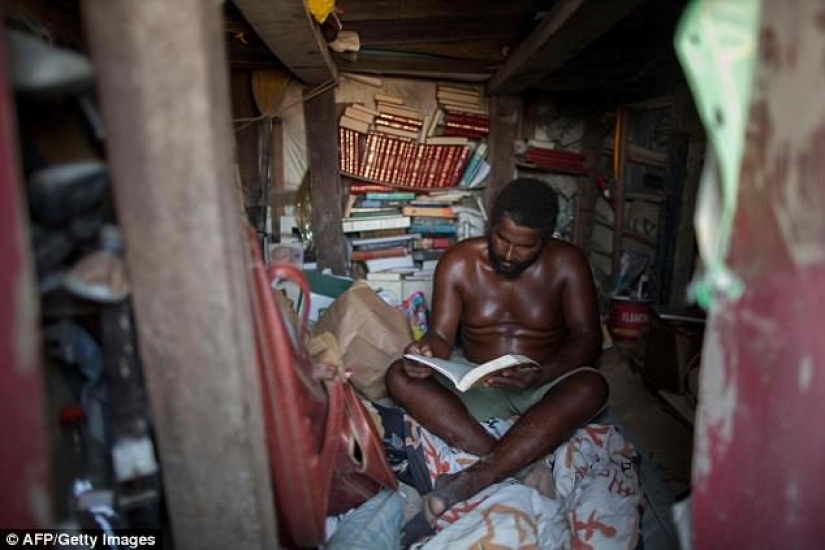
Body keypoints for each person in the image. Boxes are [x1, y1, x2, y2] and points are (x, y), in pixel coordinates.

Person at [385, 177, 608, 521]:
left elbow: (587, 339)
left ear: (546, 240)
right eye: (501, 238)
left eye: (524, 247)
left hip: (543, 385)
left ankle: (474, 477)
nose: (507, 253)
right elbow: (442, 335)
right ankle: (516, 463)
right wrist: (425, 352)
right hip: (480, 385)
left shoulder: (567, 263)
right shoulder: (459, 261)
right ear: (491, 224)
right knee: (399, 375)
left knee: (592, 386)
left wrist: (543, 373)